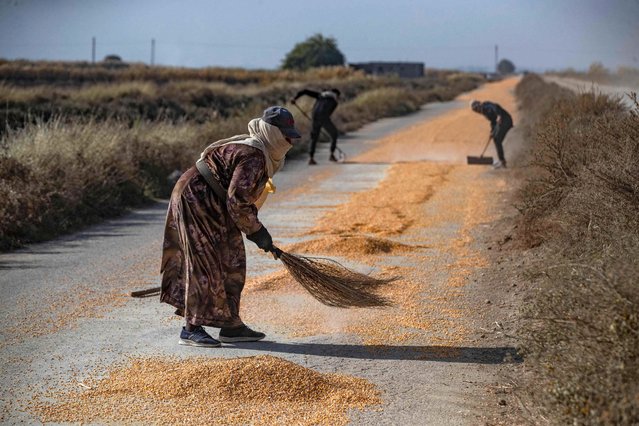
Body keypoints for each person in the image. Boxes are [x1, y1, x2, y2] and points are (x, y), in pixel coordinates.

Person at [160, 106, 301, 347]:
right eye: (285, 134)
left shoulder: (262, 152)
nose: (289, 140)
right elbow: (237, 202)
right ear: (271, 131)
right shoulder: (254, 155)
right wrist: (257, 231)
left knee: (232, 259)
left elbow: (238, 201)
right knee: (204, 261)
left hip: (214, 201)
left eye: (291, 135)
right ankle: (191, 328)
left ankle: (230, 325)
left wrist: (254, 229)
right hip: (196, 197)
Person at [291, 88, 341, 165]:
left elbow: (305, 91)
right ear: (336, 95)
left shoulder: (320, 95)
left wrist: (295, 98)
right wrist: (323, 124)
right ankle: (332, 154)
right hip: (323, 118)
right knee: (334, 134)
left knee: (314, 137)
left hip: (315, 117)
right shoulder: (334, 102)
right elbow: (328, 114)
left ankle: (311, 158)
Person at [470, 100, 513, 168]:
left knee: (498, 139)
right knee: (495, 139)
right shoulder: (484, 113)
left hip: (506, 120)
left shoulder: (486, 105)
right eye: (475, 110)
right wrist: (492, 132)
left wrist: (499, 115)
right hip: (500, 123)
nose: (477, 111)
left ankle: (502, 162)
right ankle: (502, 161)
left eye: (476, 108)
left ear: (479, 104)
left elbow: (495, 106)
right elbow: (493, 122)